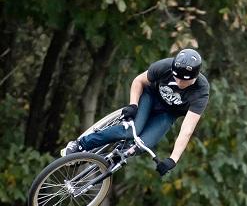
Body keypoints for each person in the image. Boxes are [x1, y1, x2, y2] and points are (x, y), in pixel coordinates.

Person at [64, 47, 209, 177]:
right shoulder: (164, 66)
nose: (179, 83)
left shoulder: (201, 92)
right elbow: (138, 81)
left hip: (167, 114)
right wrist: (133, 105)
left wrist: (173, 159)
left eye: (184, 81)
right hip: (150, 98)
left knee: (141, 145)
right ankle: (80, 144)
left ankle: (108, 160)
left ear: (195, 77)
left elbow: (187, 129)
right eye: (176, 77)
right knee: (130, 131)